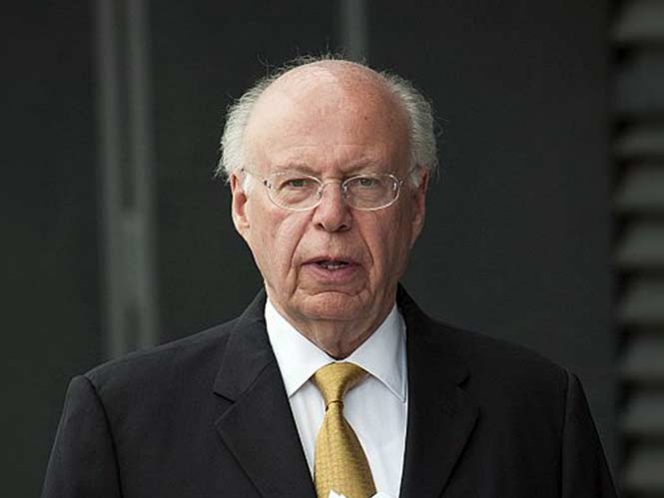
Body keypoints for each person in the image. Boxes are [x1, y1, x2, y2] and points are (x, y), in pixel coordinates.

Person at [42, 57, 618, 498]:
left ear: (415, 203)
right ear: (242, 205)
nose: (332, 215)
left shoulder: (539, 411)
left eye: (366, 182)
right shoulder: (124, 420)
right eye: (296, 183)